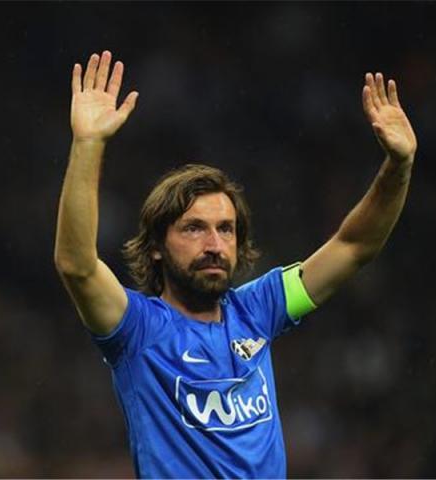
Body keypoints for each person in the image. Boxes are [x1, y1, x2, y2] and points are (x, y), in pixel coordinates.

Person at [54, 50, 417, 479]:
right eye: (194, 228)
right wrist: (88, 144)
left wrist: (399, 166)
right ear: (156, 247)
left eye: (225, 229)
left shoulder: (259, 309)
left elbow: (355, 246)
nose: (214, 244)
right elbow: (76, 265)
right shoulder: (137, 329)